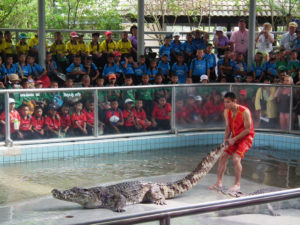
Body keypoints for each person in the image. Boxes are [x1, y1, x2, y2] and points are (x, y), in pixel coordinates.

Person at [209, 92, 254, 193]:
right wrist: (225, 141)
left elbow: (247, 129)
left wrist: (234, 139)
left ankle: (237, 184)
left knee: (236, 158)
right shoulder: (226, 111)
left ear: (235, 101)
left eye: (228, 102)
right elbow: (228, 128)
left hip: (246, 138)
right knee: (223, 156)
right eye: (225, 102)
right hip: (234, 137)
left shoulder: (245, 111)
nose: (226, 104)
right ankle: (219, 182)